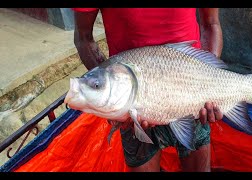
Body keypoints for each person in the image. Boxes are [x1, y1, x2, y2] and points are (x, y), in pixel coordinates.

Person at [72, 8, 224, 172]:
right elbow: (83, 37)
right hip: (129, 100)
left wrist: (211, 82)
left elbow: (211, 24)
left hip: (190, 87)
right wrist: (108, 92)